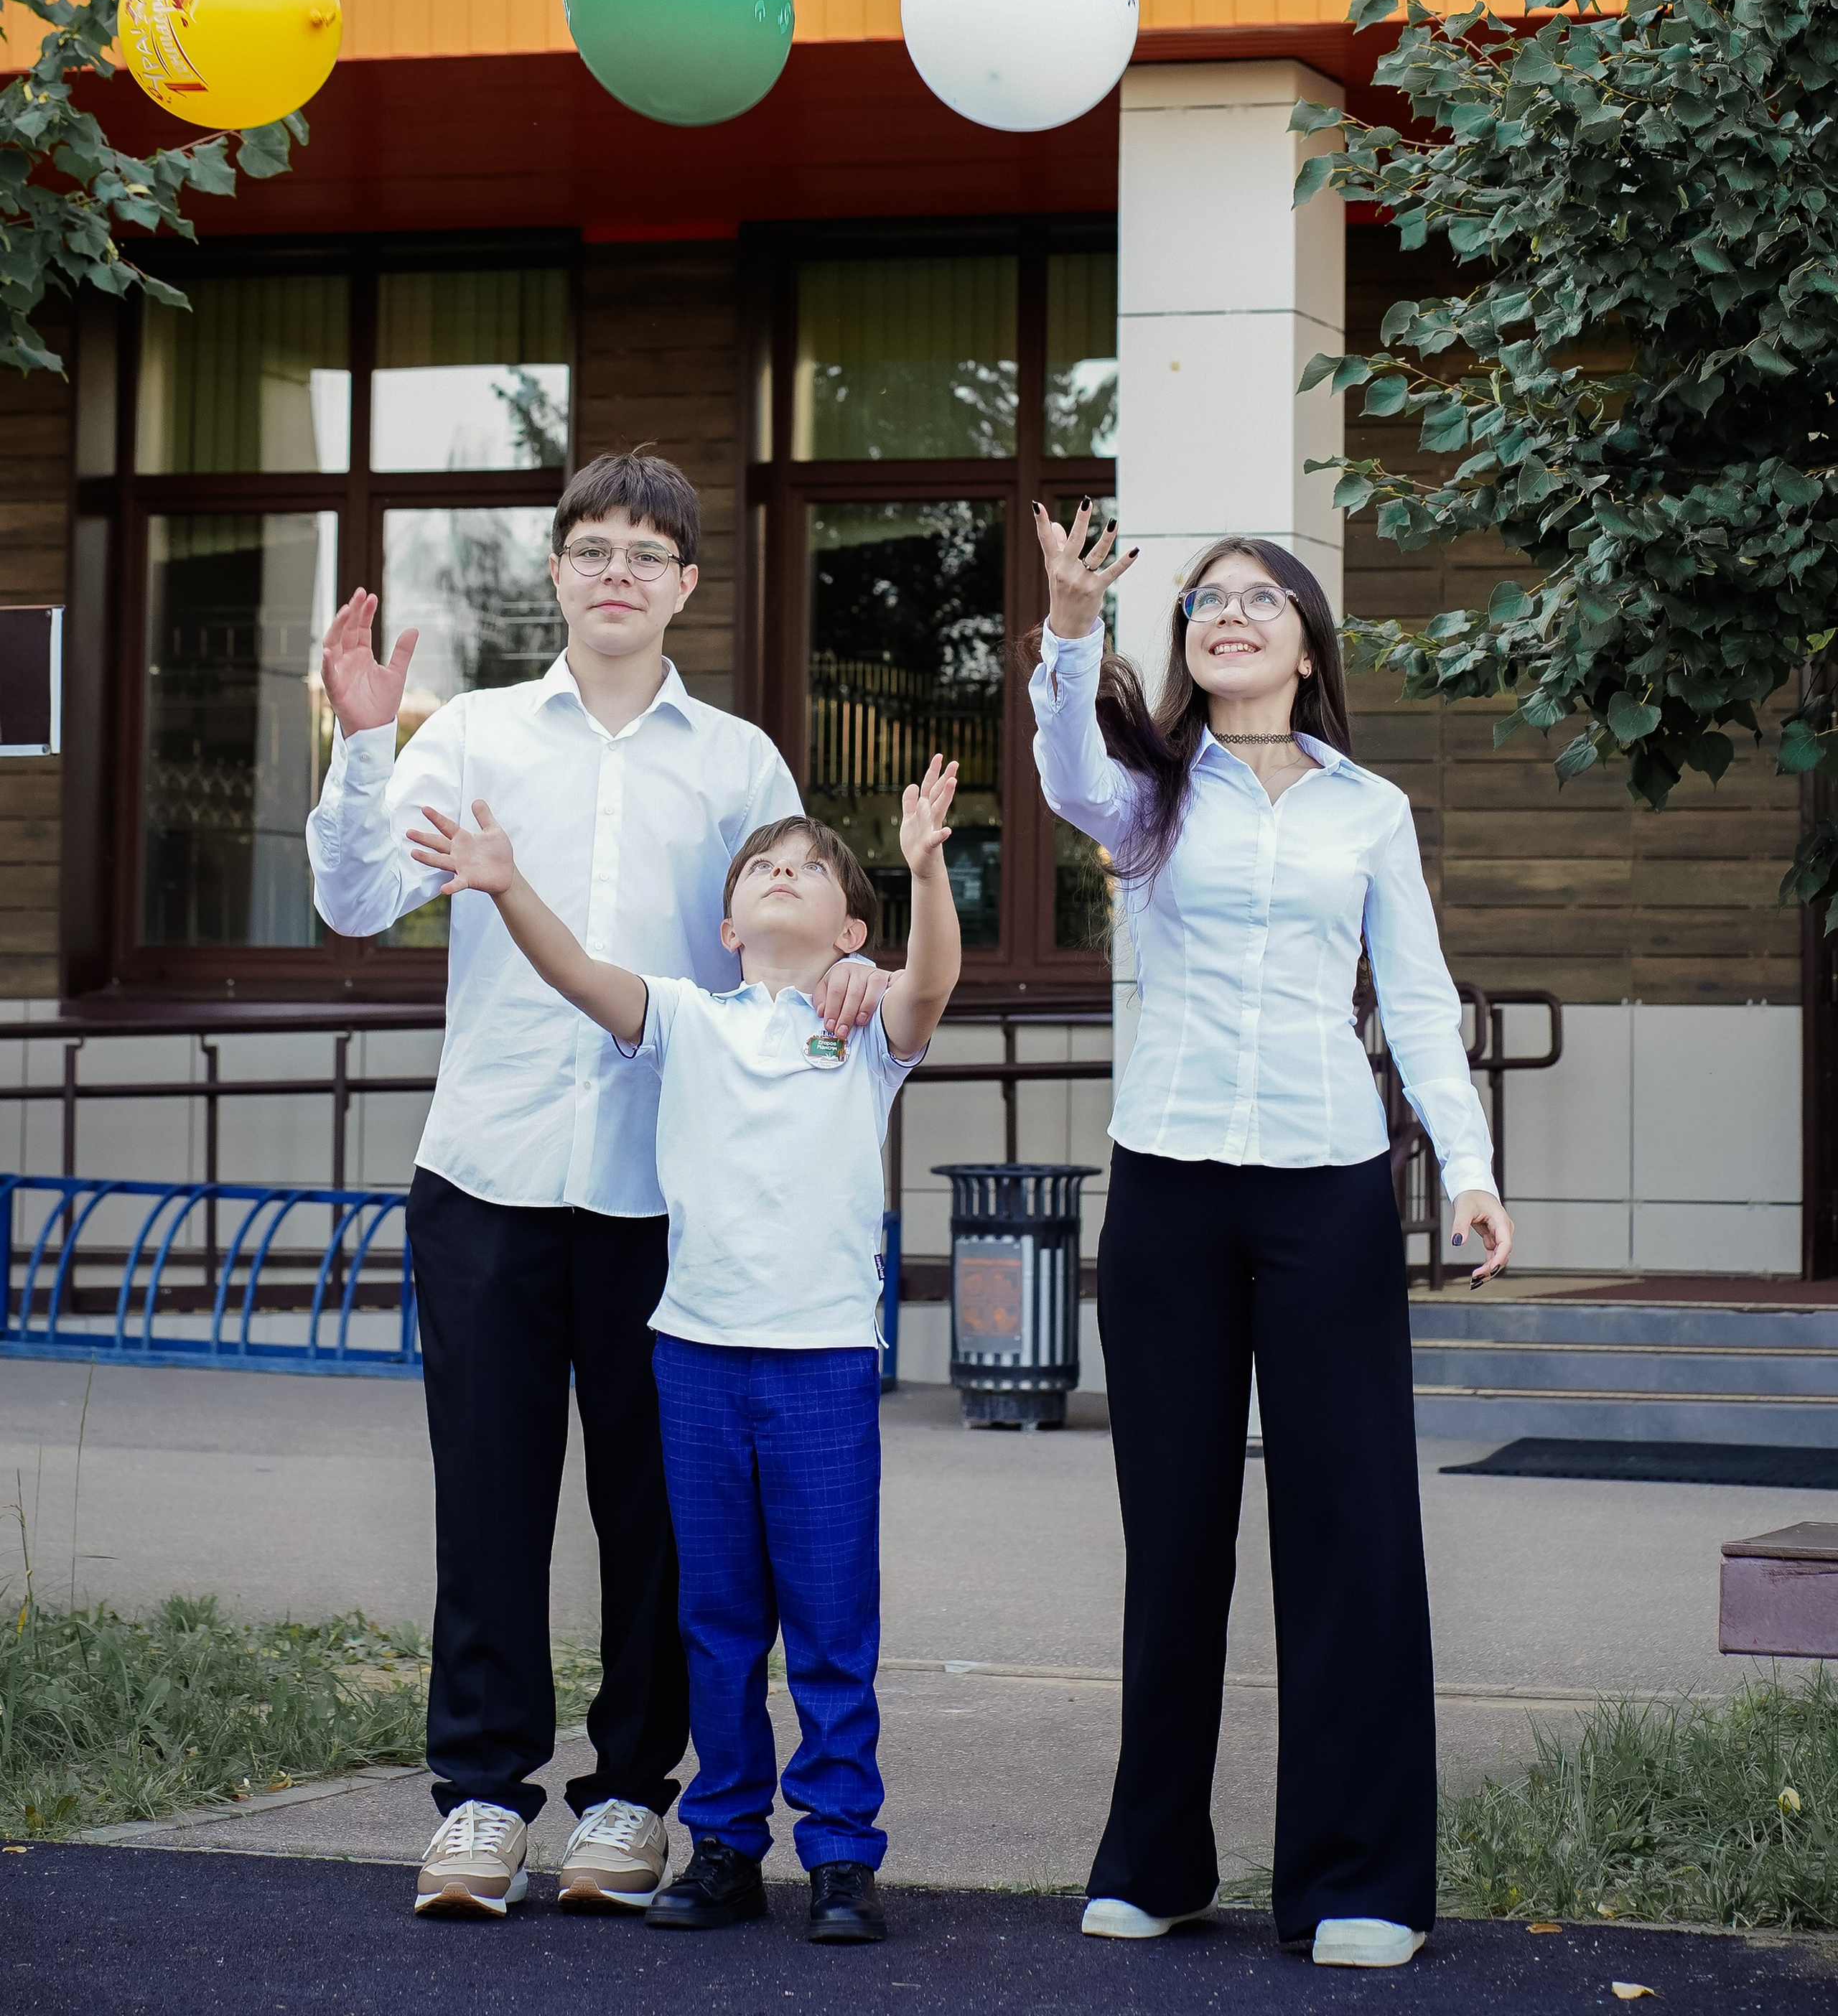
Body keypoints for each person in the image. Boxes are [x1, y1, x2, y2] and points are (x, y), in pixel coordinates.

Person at [305, 449, 888, 1921]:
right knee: (489, 1502)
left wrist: (865, 967)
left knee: (661, 1521)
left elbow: (799, 920)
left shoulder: (737, 758)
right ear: (554, 570)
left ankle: (634, 1795)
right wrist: (364, 743)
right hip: (489, 1167)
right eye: (591, 548)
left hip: (668, 1195)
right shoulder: (477, 733)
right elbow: (356, 900)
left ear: (685, 585)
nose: (616, 572)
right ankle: (481, 1805)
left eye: (646, 552)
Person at [1027, 503, 1513, 1973]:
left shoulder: (1368, 810)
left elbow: (1416, 1002)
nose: (1226, 615)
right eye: (1203, 602)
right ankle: (1155, 1860)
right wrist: (1066, 628)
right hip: (1167, 1188)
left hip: (1323, 1189)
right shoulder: (1146, 790)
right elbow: (1060, 772)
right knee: (1171, 1532)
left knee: (1349, 1532)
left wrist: (1468, 1166)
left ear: (1307, 643)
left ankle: (1357, 1881)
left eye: (1258, 599)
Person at [406, 760, 964, 1945]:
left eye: (810, 869)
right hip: (696, 1359)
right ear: (728, 925)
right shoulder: (688, 1019)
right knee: (714, 1622)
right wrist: (505, 888)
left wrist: (924, 867)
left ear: (848, 927)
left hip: (817, 1365)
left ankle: (841, 1856)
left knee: (827, 1624)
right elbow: (578, 975)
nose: (782, 873)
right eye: (763, 865)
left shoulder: (861, 1027)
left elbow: (934, 987)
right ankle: (721, 1844)